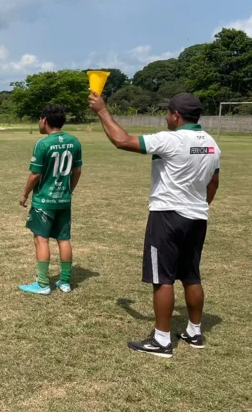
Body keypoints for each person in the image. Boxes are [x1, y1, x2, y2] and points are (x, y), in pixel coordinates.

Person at [89, 92, 221, 359]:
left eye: (167, 112)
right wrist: (197, 205)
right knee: (191, 275)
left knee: (162, 278)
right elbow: (213, 183)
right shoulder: (211, 144)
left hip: (167, 216)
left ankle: (161, 340)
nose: (165, 116)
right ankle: (195, 331)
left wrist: (102, 111)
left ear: (175, 115)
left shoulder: (170, 139)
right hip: (197, 217)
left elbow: (122, 140)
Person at [18, 104, 82, 295]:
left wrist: (24, 194)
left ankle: (43, 283)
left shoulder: (43, 144)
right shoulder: (74, 141)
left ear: (44, 120)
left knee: (41, 239)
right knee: (63, 239)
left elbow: (35, 174)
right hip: (63, 199)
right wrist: (69, 190)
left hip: (44, 200)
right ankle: (64, 282)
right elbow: (77, 170)